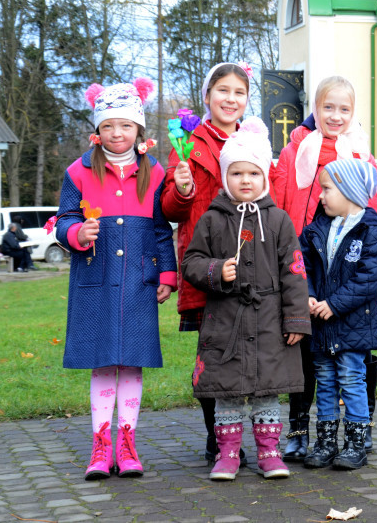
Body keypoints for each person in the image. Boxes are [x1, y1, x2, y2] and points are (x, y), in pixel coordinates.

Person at [54, 78, 177, 480]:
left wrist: (167, 273)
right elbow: (64, 220)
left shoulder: (153, 171)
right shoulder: (78, 171)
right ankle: (101, 445)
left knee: (133, 362)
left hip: (139, 282)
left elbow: (161, 228)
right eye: (108, 125)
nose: (117, 132)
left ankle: (127, 445)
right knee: (103, 362)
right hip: (96, 279)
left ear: (138, 129)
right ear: (97, 130)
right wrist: (77, 233)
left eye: (125, 125)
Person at [181, 117, 311, 481]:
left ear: (264, 177)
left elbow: (294, 272)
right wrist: (215, 270)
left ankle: (269, 453)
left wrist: (296, 319)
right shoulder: (211, 220)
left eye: (253, 173)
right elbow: (191, 261)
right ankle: (227, 454)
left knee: (268, 391)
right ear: (226, 177)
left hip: (269, 321)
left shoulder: (279, 220)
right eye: (236, 173)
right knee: (228, 391)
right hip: (226, 322)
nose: (245, 180)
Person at [271, 75, 377, 460]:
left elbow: (373, 214)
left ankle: (360, 431)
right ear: (315, 109)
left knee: (352, 361)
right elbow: (281, 205)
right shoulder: (295, 152)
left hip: (347, 276)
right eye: (328, 107)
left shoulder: (361, 155)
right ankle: (300, 431)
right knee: (305, 355)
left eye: (344, 109)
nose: (335, 116)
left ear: (354, 112)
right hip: (306, 268)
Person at [161, 61, 250, 464]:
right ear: (207, 96)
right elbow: (170, 209)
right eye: (223, 91)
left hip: (247, 263)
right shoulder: (188, 145)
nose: (231, 99)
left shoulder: (253, 140)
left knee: (244, 355)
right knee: (212, 356)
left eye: (239, 93)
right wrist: (182, 189)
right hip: (205, 265)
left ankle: (241, 435)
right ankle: (218, 438)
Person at [299, 159, 377, 471]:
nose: (321, 195)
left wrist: (334, 304)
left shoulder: (373, 232)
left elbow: (370, 278)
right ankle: (326, 442)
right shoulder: (316, 229)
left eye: (327, 189)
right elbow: (303, 266)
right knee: (325, 381)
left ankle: (356, 443)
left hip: (353, 325)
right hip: (322, 325)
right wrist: (309, 294)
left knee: (352, 380)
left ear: (349, 191)